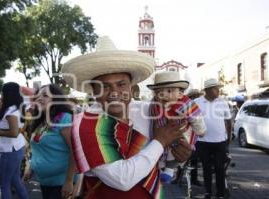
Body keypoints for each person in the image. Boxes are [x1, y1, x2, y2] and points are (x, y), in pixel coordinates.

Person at [62, 36, 193, 198]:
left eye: (121, 84)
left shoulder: (148, 111)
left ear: (131, 87)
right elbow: (122, 180)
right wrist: (160, 141)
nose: (115, 92)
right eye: (104, 86)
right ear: (93, 91)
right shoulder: (86, 124)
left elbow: (164, 154)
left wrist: (181, 156)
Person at [147, 71, 206, 183]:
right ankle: (161, 165)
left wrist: (201, 131)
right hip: (163, 134)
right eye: (159, 92)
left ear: (179, 93)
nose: (164, 95)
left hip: (181, 132)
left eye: (169, 91)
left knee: (178, 148)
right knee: (161, 148)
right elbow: (153, 121)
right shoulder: (154, 105)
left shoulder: (185, 103)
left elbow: (196, 118)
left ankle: (169, 169)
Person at [23, 84, 75, 199]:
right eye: (38, 96)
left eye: (45, 95)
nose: (40, 99)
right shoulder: (41, 121)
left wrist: (69, 181)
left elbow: (75, 150)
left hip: (61, 183)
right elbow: (38, 148)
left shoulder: (64, 118)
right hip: (45, 182)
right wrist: (31, 167)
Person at [0, 82, 29, 199]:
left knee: (4, 184)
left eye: (3, 92)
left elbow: (14, 133)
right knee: (15, 180)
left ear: (7, 93)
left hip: (10, 150)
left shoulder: (11, 111)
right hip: (16, 148)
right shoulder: (16, 108)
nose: (1, 95)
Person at [194, 79, 232, 199]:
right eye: (216, 88)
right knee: (206, 168)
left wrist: (229, 136)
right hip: (203, 142)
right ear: (208, 90)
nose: (218, 91)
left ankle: (220, 193)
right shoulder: (197, 102)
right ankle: (208, 192)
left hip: (220, 141)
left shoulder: (223, 102)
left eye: (218, 88)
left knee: (219, 168)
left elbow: (228, 120)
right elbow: (188, 118)